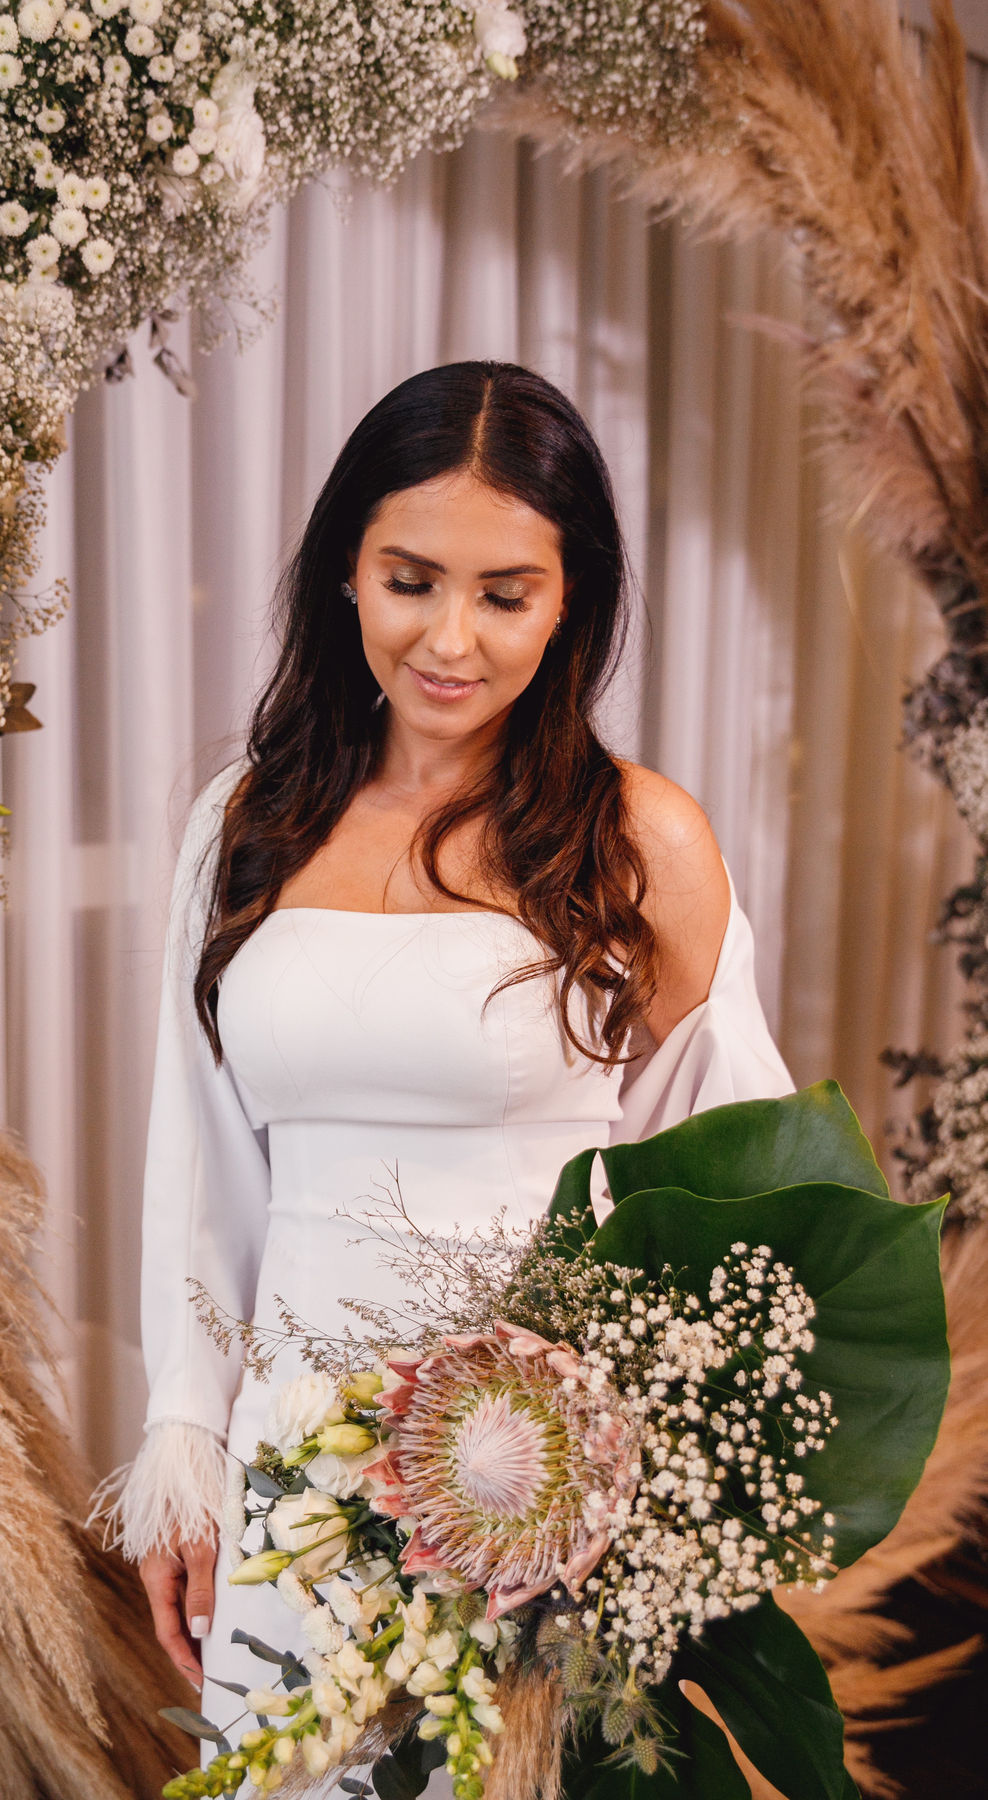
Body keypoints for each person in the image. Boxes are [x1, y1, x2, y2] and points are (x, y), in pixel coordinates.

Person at [109, 362, 792, 1762]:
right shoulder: (243, 823)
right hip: (294, 1471)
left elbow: (732, 1184)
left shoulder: (638, 840)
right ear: (342, 576)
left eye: (507, 593)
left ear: (572, 601)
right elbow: (201, 1169)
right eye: (411, 578)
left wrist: (641, 1492)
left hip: (536, 1488)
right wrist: (189, 1451)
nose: (452, 640)